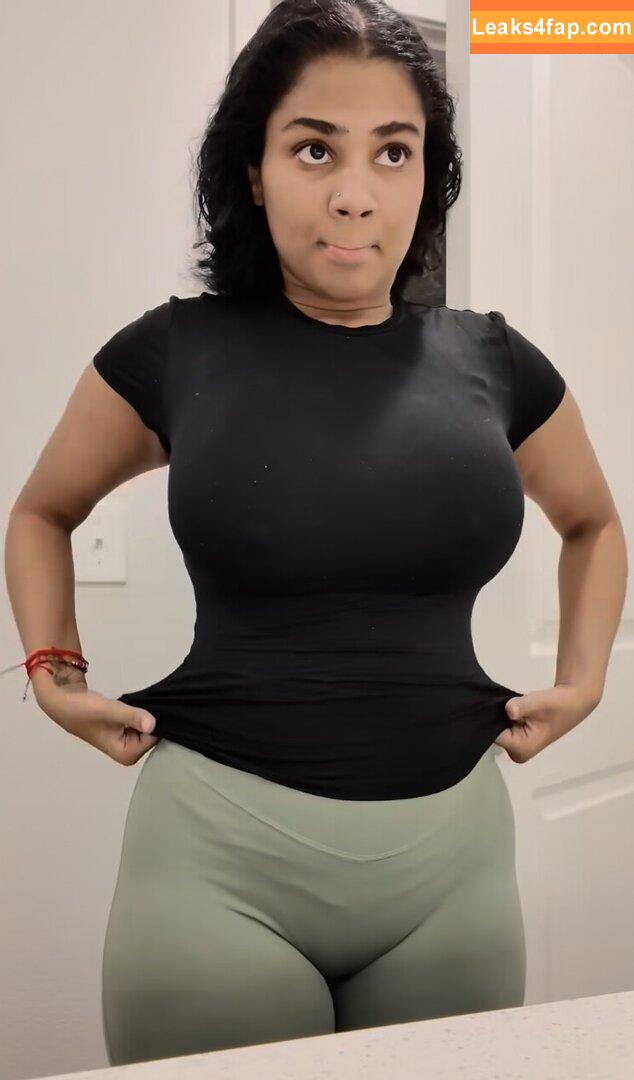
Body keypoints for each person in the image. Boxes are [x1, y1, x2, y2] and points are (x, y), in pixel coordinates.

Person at [5, 0, 625, 1069]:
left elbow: (594, 523)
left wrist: (586, 682)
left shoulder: (495, 362)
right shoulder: (174, 350)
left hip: (453, 874)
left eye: (394, 151)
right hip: (217, 867)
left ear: (429, 174)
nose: (354, 194)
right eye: (313, 149)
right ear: (253, 171)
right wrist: (54, 672)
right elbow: (41, 511)